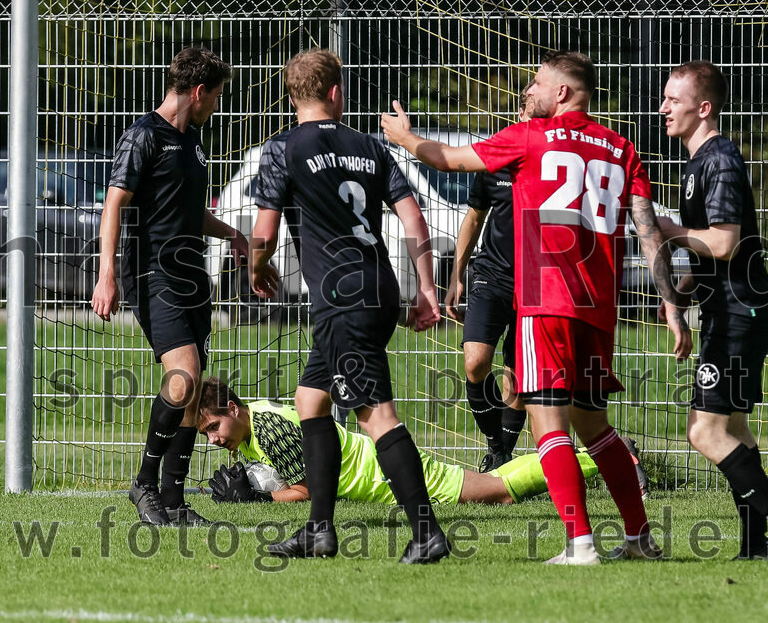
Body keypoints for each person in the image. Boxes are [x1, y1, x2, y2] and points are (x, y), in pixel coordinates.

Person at [382, 50, 692, 565]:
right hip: (598, 309)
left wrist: (406, 139)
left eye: (536, 84)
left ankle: (580, 544)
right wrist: (670, 304)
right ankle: (638, 539)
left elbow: (446, 159)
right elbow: (648, 230)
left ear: (563, 94)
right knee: (594, 425)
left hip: (546, 300)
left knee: (548, 423)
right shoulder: (622, 149)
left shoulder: (531, 137)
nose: (528, 92)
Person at [248, 48, 450, 564]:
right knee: (310, 401)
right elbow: (414, 220)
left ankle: (427, 533)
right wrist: (426, 287)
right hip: (378, 290)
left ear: (292, 96)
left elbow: (264, 232)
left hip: (342, 300)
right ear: (336, 92)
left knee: (375, 414)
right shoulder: (371, 147)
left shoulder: (283, 149)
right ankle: (318, 530)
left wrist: (254, 266)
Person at [656, 61, 768, 561]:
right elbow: (714, 253)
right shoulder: (697, 162)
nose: (662, 108)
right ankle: (754, 543)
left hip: (738, 312)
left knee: (704, 431)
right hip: (734, 307)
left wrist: (665, 229)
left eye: (673, 100)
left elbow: (724, 243)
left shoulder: (719, 160)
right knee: (736, 429)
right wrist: (679, 297)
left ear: (703, 108)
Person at [91, 47, 249, 527]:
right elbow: (114, 204)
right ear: (198, 92)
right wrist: (107, 273)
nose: (217, 106)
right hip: (153, 274)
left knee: (194, 382)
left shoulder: (194, 142)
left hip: (191, 275)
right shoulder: (143, 136)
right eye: (217, 97)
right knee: (182, 378)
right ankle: (143, 481)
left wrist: (231, 233)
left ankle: (175, 502)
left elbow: (187, 210)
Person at [195, 377, 600, 506]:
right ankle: (594, 457)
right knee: (492, 485)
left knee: (498, 493)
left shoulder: (268, 429)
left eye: (213, 427)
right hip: (380, 474)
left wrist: (259, 500)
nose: (213, 439)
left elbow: (311, 491)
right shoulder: (251, 426)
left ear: (232, 408)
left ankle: (598, 457)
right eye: (205, 435)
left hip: (387, 474)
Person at [444, 85, 529, 471]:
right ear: (520, 111)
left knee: (518, 375)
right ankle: (495, 441)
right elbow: (474, 217)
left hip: (536, 284)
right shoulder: (495, 155)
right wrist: (457, 275)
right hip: (491, 275)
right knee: (475, 363)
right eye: (526, 107)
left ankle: (502, 457)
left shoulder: (553, 159)